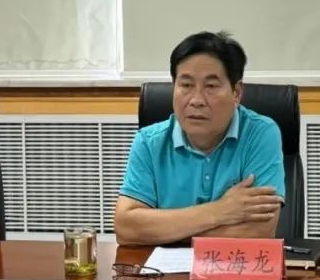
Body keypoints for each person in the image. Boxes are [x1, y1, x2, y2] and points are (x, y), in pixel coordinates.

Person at [114, 31, 285, 246]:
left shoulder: (260, 134)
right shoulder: (149, 142)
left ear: (236, 92)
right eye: (186, 85)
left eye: (211, 86)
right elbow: (126, 228)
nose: (196, 100)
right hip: (162, 267)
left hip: (232, 265)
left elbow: (260, 230)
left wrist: (165, 231)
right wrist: (221, 210)